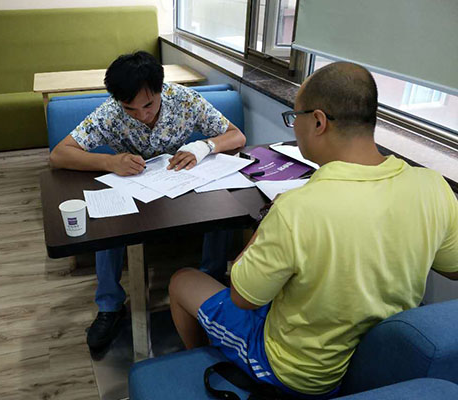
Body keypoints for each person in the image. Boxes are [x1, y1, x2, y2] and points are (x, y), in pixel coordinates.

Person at [169, 61, 458, 397]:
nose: (294, 127)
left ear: (318, 121)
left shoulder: (296, 208)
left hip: (302, 374)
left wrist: (267, 224)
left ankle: (204, 360)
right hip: (377, 363)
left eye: (295, 118)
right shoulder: (433, 186)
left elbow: (242, 297)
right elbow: (453, 269)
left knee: (182, 280)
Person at [49, 51, 246, 351]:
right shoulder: (110, 113)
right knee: (106, 222)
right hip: (133, 189)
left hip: (178, 183)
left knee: (220, 204)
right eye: (130, 108)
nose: (141, 115)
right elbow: (58, 155)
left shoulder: (184, 100)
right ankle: (110, 305)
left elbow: (236, 136)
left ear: (160, 89)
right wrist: (109, 162)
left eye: (149, 105)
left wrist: (203, 146)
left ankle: (211, 281)